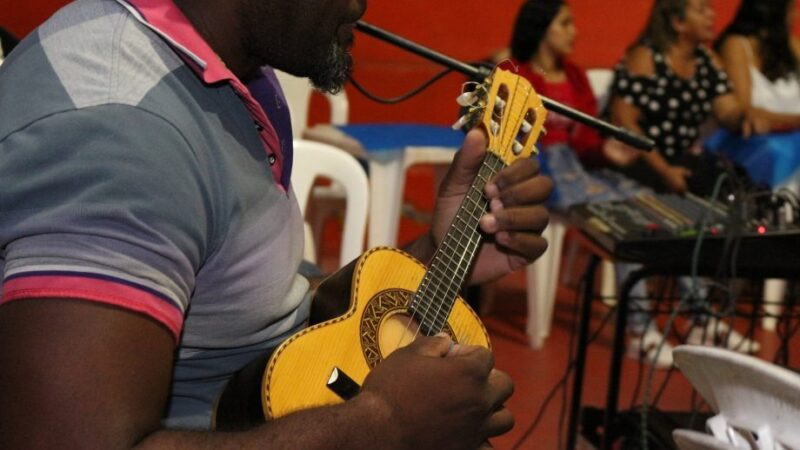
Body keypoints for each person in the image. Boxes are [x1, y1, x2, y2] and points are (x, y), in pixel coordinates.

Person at [0, 0, 554, 448]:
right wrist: (384, 423)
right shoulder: (120, 131)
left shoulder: (229, 72)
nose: (363, 4)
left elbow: (251, 295)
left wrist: (443, 254)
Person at [607, 0, 758, 367]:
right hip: (640, 163)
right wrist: (664, 170)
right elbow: (624, 121)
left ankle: (701, 320)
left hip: (682, 166)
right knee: (643, 219)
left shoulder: (706, 61)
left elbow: (726, 109)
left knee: (711, 210)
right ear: (677, 22)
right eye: (701, 10)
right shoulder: (645, 56)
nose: (711, 16)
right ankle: (640, 330)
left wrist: (745, 116)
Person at [504, 0, 649, 212]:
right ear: (541, 27)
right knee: (600, 206)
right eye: (565, 24)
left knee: (638, 200)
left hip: (576, 167)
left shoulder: (575, 76)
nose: (574, 32)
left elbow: (585, 141)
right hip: (538, 168)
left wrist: (605, 151)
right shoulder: (518, 76)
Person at [711, 0, 800, 194]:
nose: (795, 16)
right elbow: (744, 109)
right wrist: (795, 121)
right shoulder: (736, 45)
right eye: (791, 9)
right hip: (753, 146)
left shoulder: (791, 47)